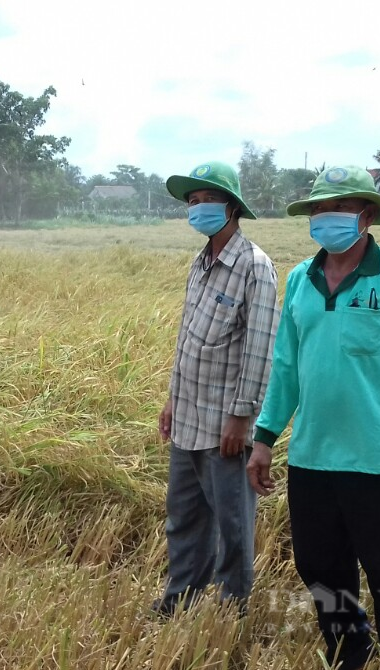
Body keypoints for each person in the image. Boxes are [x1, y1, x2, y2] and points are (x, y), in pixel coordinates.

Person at [246, 166, 380, 670]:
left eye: (339, 207)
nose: (325, 217)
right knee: (322, 576)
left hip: (379, 464)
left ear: (367, 214)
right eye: (317, 209)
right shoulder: (298, 283)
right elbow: (285, 368)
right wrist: (265, 438)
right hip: (311, 460)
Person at [154, 160, 279, 617]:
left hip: (225, 423)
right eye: (193, 201)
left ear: (232, 208)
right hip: (188, 414)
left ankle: (232, 610)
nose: (198, 208)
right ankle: (179, 600)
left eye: (208, 199)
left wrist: (243, 417)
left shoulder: (254, 266)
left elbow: (261, 348)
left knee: (232, 524)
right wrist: (171, 398)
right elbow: (187, 338)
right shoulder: (200, 264)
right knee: (183, 518)